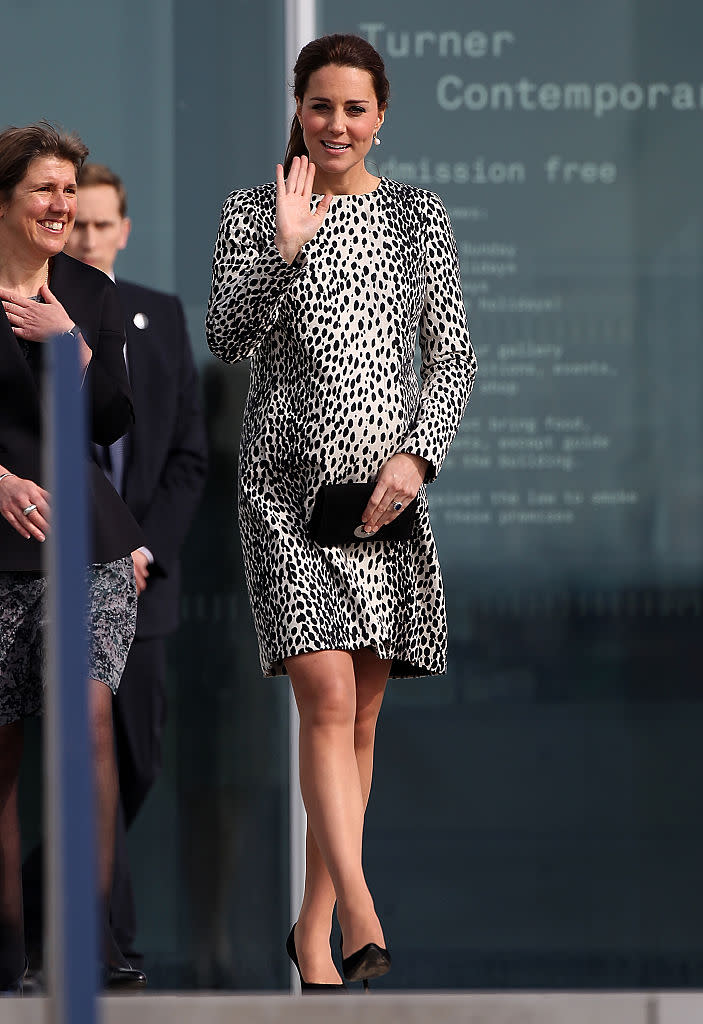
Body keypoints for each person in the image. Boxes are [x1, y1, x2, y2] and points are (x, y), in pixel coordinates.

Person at [206, 34, 477, 991]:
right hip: (282, 490)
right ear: (299, 106)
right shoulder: (254, 209)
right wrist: (285, 252)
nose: (336, 125)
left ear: (381, 115)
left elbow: (452, 357)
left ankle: (313, 931)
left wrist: (418, 455)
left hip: (382, 495)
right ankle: (362, 911)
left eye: (355, 109)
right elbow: (228, 333)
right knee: (322, 698)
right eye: (321, 106)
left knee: (361, 712)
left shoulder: (414, 216)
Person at [0, 122, 146, 991]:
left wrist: (75, 347)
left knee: (87, 723)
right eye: (43, 191)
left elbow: (112, 420)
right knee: (3, 755)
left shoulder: (89, 291)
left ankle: (85, 946)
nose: (62, 206)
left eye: (69, 189)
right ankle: (7, 953)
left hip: (86, 544)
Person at [62, 162, 208, 958]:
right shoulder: (31, 317)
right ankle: (109, 947)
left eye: (99, 223)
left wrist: (141, 547)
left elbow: (187, 457)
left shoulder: (160, 316)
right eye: (74, 222)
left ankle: (42, 903)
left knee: (137, 761)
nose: (86, 236)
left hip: (144, 585)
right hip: (55, 579)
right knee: (86, 766)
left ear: (124, 229)